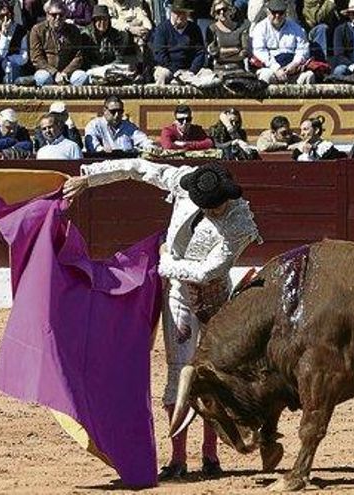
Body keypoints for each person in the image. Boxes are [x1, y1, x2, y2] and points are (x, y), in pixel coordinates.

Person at [62, 159, 261, 481]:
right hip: (180, 297)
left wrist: (164, 261)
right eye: (207, 205)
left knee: (216, 374)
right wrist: (88, 179)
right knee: (177, 370)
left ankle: (211, 455)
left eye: (217, 206)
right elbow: (138, 168)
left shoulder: (239, 220)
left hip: (216, 300)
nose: (213, 211)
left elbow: (210, 271)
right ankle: (178, 457)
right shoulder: (183, 181)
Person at [250, 0, 314, 84]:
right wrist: (276, 68)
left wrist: (294, 64)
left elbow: (303, 49)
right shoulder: (260, 28)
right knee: (266, 76)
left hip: (293, 68)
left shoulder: (297, 28)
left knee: (309, 76)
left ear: (286, 13)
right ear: (267, 12)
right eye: (274, 12)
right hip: (270, 68)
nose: (277, 16)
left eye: (281, 13)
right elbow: (259, 51)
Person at [30, 1, 89, 87]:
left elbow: (78, 57)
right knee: (42, 78)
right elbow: (36, 58)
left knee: (82, 77)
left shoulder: (74, 30)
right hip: (47, 71)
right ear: (47, 15)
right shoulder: (37, 30)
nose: (58, 18)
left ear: (65, 16)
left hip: (68, 73)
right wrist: (54, 73)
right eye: (54, 15)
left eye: (61, 15)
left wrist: (66, 72)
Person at [152, 0, 206, 85]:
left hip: (189, 70)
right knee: (161, 75)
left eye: (184, 13)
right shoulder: (162, 29)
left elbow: (200, 52)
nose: (181, 16)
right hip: (168, 68)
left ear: (188, 14)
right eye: (178, 13)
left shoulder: (195, 29)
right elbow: (159, 54)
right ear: (171, 13)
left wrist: (192, 71)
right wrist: (176, 71)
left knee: (209, 75)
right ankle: (161, 97)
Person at [84, 95, 155, 155]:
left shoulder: (129, 126)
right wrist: (103, 150)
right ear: (105, 110)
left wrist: (150, 147)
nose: (117, 115)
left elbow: (143, 140)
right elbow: (93, 147)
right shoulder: (94, 125)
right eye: (113, 111)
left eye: (120, 111)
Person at [0, 0, 29, 84]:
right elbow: (0, 54)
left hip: (15, 68)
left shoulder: (20, 31)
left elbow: (24, 57)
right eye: (1, 16)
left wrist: (8, 60)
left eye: (8, 15)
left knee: (11, 66)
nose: (6, 19)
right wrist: (4, 35)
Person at [205, 0, 250, 74]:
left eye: (224, 9)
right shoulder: (212, 29)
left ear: (230, 10)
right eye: (218, 11)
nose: (222, 13)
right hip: (219, 70)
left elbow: (244, 52)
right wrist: (235, 50)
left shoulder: (241, 28)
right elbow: (214, 53)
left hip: (238, 70)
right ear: (215, 14)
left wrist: (222, 52)